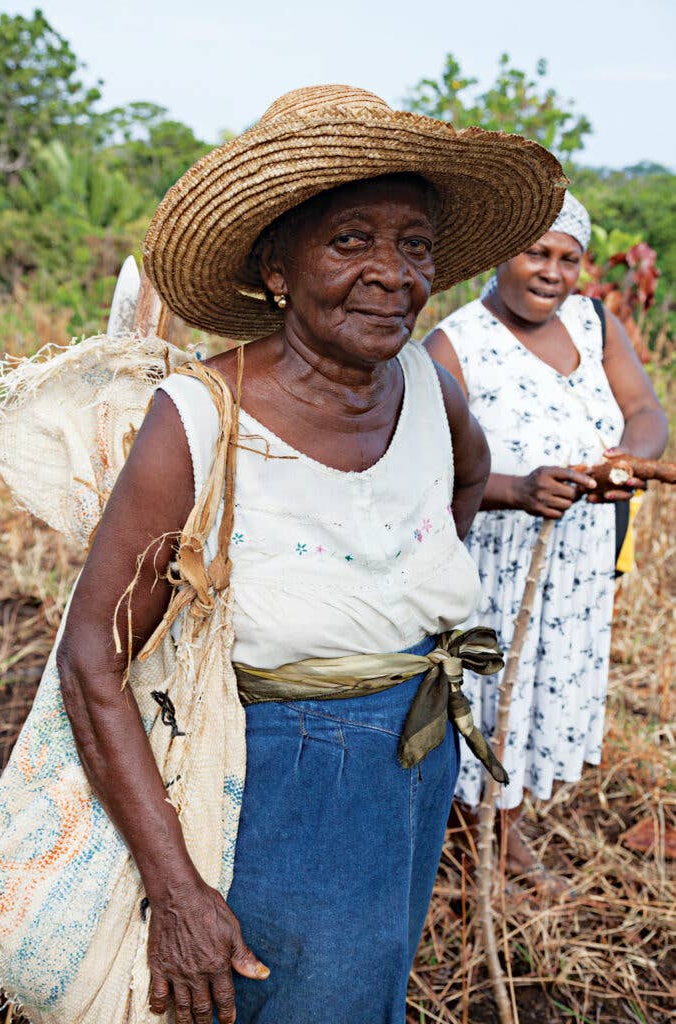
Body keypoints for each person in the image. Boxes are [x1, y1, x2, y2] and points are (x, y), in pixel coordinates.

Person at [55, 84, 564, 1023]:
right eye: (348, 241)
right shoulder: (199, 420)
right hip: (282, 773)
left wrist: (398, 584)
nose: (392, 274)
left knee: (367, 990)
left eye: (414, 244)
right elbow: (92, 654)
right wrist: (176, 891)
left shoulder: (420, 379)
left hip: (419, 733)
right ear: (275, 268)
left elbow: (468, 477)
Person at [424, 192, 668, 894]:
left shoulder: (593, 324)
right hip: (495, 561)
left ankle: (509, 830)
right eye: (536, 252)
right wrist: (516, 489)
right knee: (490, 694)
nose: (551, 272)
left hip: (579, 560)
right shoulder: (453, 345)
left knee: (543, 690)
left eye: (568, 259)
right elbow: (427, 467)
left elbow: (644, 410)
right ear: (501, 255)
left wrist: (630, 459)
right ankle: (471, 841)